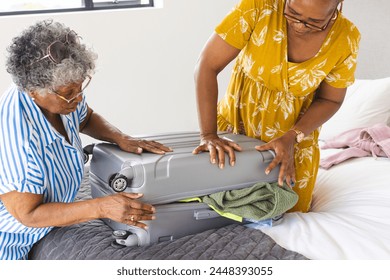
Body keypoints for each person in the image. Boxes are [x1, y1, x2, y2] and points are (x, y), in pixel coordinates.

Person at [0, 19, 172, 260]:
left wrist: (120, 137)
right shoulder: (20, 139)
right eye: (70, 94)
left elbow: (86, 118)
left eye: (81, 88)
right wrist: (101, 207)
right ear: (34, 91)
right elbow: (29, 215)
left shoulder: (61, 100)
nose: (79, 98)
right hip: (10, 243)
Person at [193, 0, 360, 212]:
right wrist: (208, 135)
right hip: (233, 139)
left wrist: (292, 136)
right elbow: (207, 65)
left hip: (292, 151)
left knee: (286, 215)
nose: (300, 25)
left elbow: (331, 99)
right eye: (293, 13)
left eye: (314, 22)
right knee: (217, 212)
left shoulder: (346, 38)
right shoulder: (258, 7)